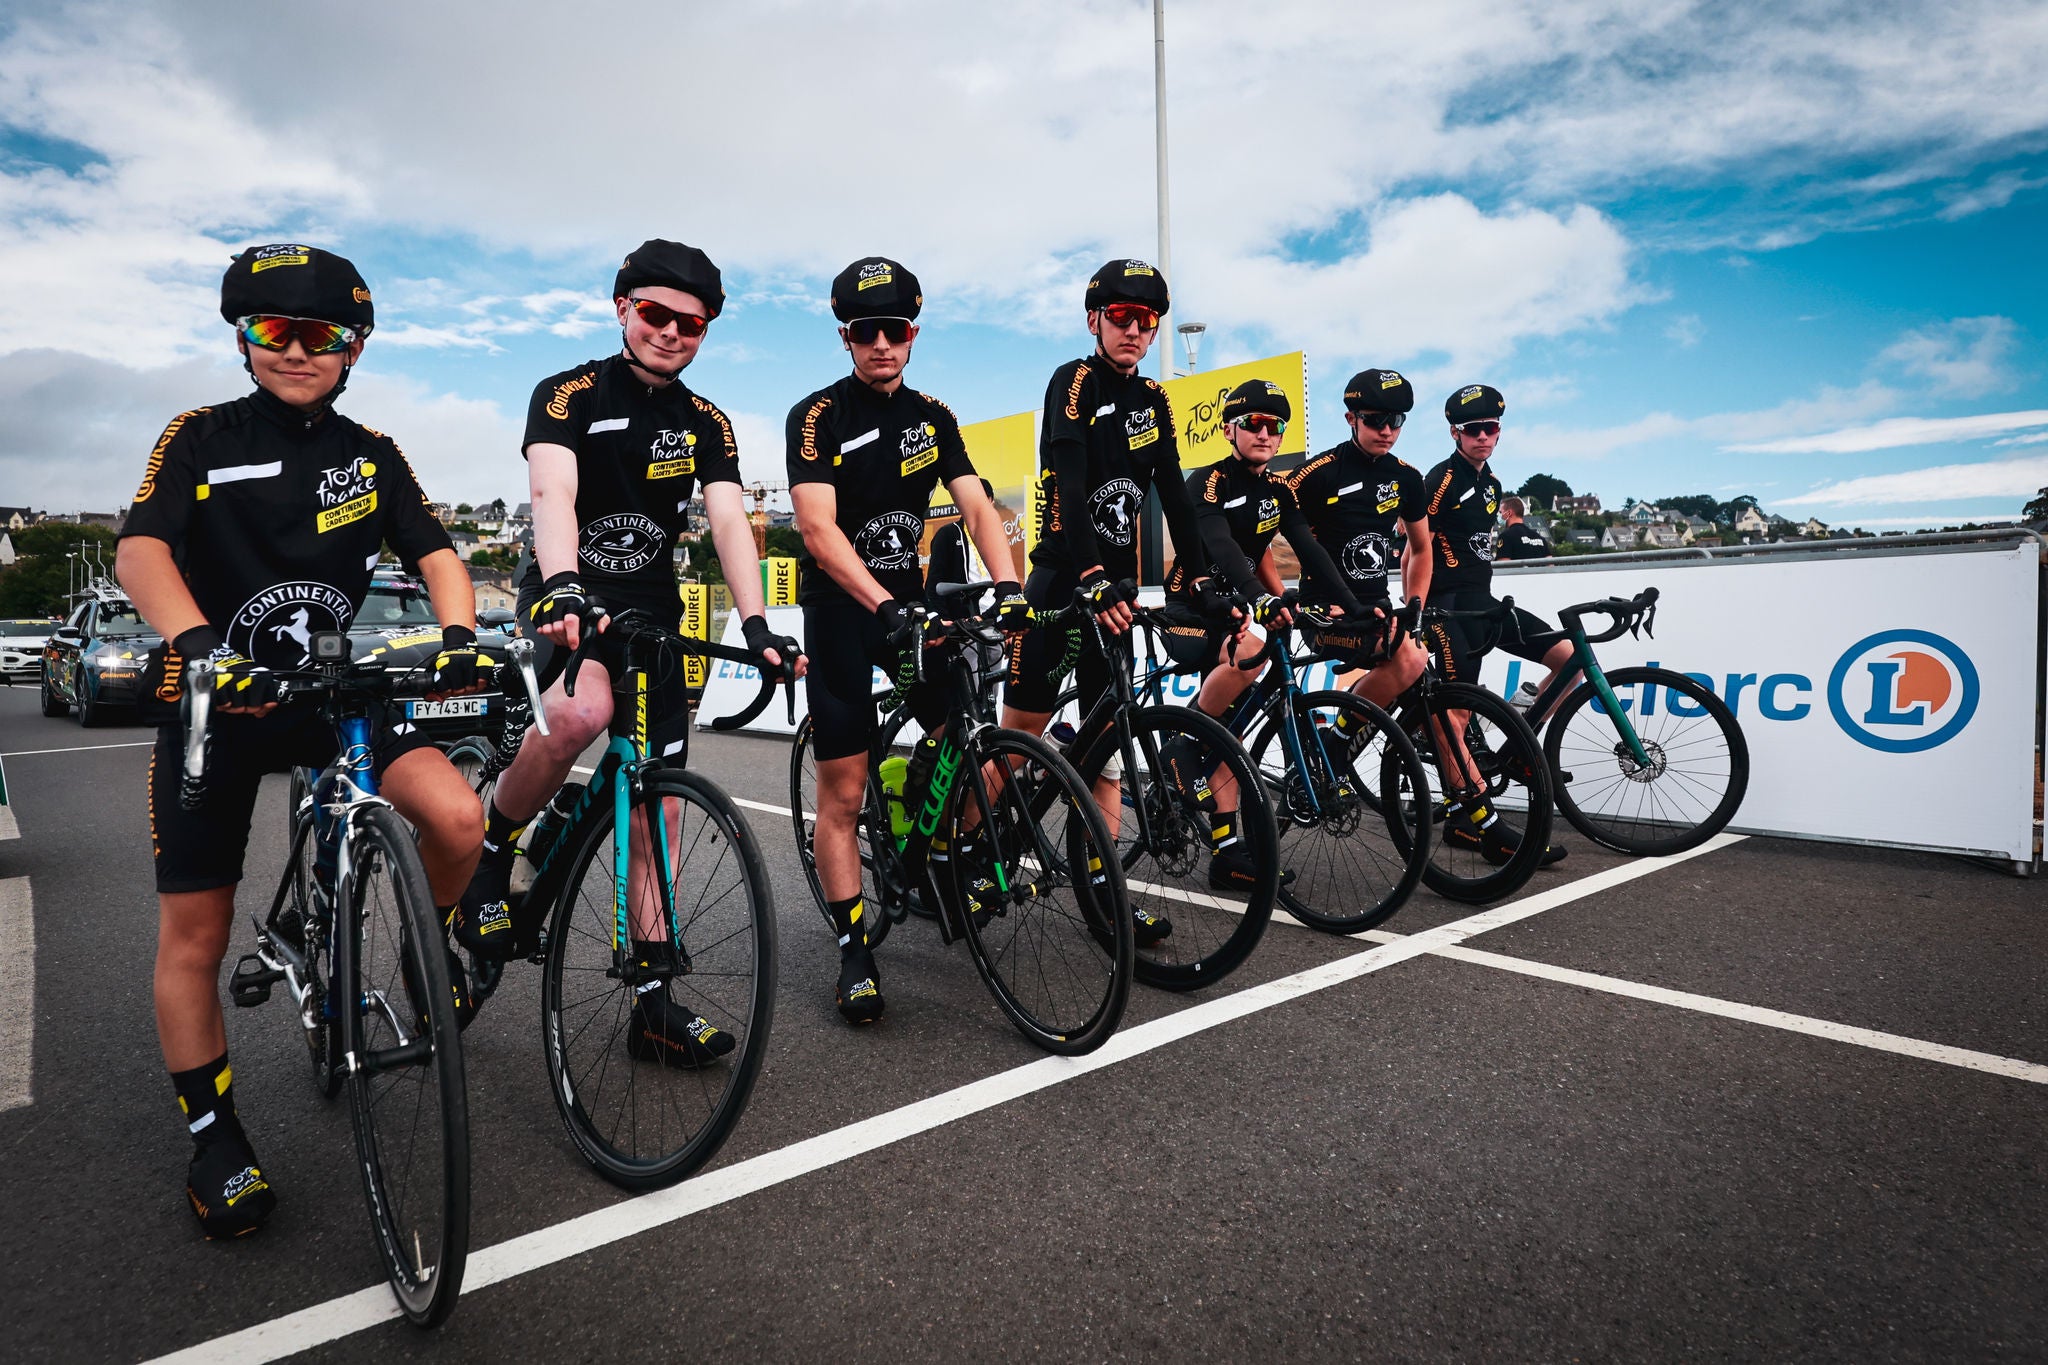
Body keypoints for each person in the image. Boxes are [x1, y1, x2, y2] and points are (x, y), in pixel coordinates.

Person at [115, 244, 488, 1239]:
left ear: (350, 349)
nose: (294, 351)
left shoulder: (371, 452)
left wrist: (458, 639)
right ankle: (214, 1138)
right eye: (272, 332)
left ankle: (429, 945)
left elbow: (438, 552)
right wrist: (196, 646)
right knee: (196, 932)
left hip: (332, 697)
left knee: (458, 817)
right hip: (215, 708)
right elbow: (140, 547)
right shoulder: (198, 436)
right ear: (243, 339)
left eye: (317, 336)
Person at [455, 239, 802, 1063]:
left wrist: (756, 622)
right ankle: (492, 848)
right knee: (583, 709)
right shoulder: (569, 393)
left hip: (648, 605)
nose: (672, 332)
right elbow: (553, 490)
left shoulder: (705, 420)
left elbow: (725, 520)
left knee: (661, 808)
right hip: (565, 587)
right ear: (622, 310)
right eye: (655, 313)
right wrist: (568, 584)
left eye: (693, 322)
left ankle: (652, 999)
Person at [788, 256, 1022, 1026]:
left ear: (913, 334)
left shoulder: (932, 416)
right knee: (843, 793)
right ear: (846, 338)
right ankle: (855, 949)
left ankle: (934, 835)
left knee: (968, 731)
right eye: (865, 332)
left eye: (895, 330)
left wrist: (1011, 584)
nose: (881, 344)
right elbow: (818, 531)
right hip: (844, 612)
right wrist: (886, 602)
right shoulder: (818, 416)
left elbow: (977, 505)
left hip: (908, 608)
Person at [999, 258, 1211, 943]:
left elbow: (1174, 493)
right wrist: (1089, 570)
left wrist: (1202, 575)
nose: (1133, 330)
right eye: (1120, 317)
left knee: (1108, 745)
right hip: (1064, 584)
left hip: (1113, 593)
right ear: (1094, 320)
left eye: (1145, 321)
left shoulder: (1154, 399)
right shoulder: (1075, 381)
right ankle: (967, 848)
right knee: (1019, 737)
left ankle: (1101, 892)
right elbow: (1066, 476)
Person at [1156, 379, 1364, 888]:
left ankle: (1227, 853)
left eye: (1276, 426)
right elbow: (1221, 545)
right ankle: (1181, 741)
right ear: (1230, 429)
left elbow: (1308, 550)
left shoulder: (1278, 490)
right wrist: (1260, 597)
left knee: (1235, 734)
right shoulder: (1207, 482)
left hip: (1240, 607)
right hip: (1192, 606)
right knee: (1252, 648)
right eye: (1254, 423)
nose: (1266, 433)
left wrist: (1355, 608)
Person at [1421, 384, 1571, 865]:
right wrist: (1417, 606)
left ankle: (1519, 740)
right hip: (1447, 609)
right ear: (1455, 433)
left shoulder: (1492, 485)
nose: (1483, 437)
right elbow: (1412, 544)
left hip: (1484, 605)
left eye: (1491, 429)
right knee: (1455, 721)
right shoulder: (1440, 479)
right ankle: (1473, 823)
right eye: (1473, 430)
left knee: (1568, 659)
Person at [1281, 368, 1431, 711]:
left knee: (1436, 711)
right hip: (1326, 614)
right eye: (1376, 420)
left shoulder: (1407, 478)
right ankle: (1341, 737)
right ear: (1351, 418)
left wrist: (1416, 607)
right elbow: (1258, 538)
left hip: (1377, 610)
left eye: (1396, 420)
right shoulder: (1316, 474)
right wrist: (1280, 596)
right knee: (1410, 657)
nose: (1387, 430)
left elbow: (1421, 549)